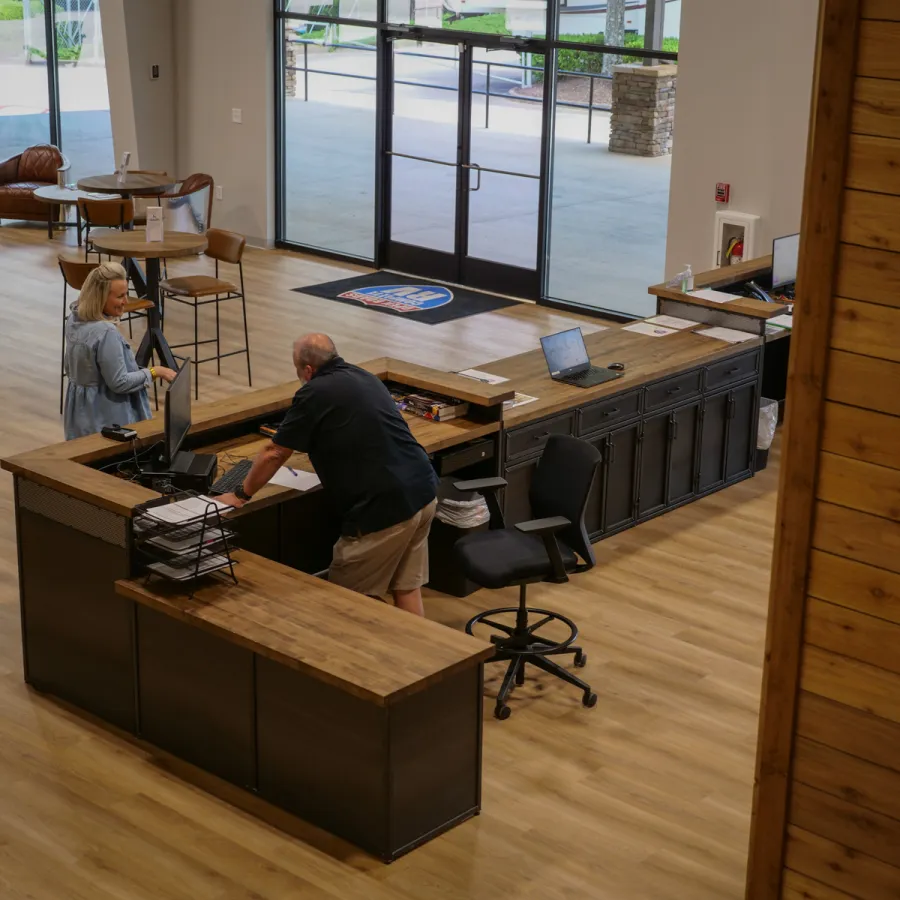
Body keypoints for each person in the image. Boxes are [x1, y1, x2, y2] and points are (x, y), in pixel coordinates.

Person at [218, 333, 438, 616]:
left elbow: (274, 452)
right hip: (423, 490)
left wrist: (240, 494)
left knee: (345, 605)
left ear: (307, 370)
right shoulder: (363, 376)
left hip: (385, 508)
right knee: (405, 586)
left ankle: (365, 657)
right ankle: (417, 655)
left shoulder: (314, 392)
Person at [64, 262, 176, 440]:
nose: (125, 301)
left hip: (80, 413)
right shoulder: (106, 333)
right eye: (120, 296)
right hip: (107, 417)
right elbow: (120, 382)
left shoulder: (74, 319)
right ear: (100, 297)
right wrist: (155, 371)